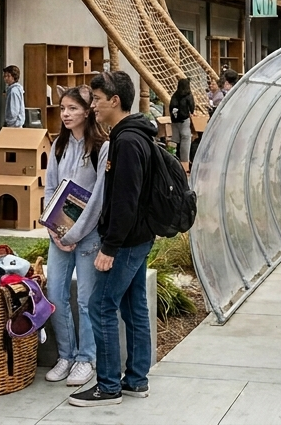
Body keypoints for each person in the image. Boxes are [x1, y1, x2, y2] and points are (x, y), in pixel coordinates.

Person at [69, 71, 157, 407]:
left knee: (101, 306)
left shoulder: (127, 142)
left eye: (97, 100)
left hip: (127, 242)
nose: (92, 107)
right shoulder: (135, 134)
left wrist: (109, 248)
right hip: (138, 238)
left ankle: (108, 386)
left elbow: (124, 201)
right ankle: (135, 380)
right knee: (133, 308)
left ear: (114, 101)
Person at [44, 86, 110, 388]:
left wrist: (74, 233)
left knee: (85, 300)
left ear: (87, 110)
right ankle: (66, 355)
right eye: (63, 109)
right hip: (59, 237)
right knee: (56, 296)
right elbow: (50, 189)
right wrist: (55, 231)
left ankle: (86, 358)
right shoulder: (58, 145)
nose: (66, 114)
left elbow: (98, 199)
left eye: (72, 108)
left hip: (87, 236)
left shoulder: (101, 147)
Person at [168, 78, 195, 170]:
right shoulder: (188, 95)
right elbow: (192, 107)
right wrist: (191, 112)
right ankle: (185, 164)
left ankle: (171, 161)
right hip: (184, 120)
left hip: (175, 121)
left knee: (174, 140)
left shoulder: (175, 95)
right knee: (186, 139)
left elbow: (171, 106)